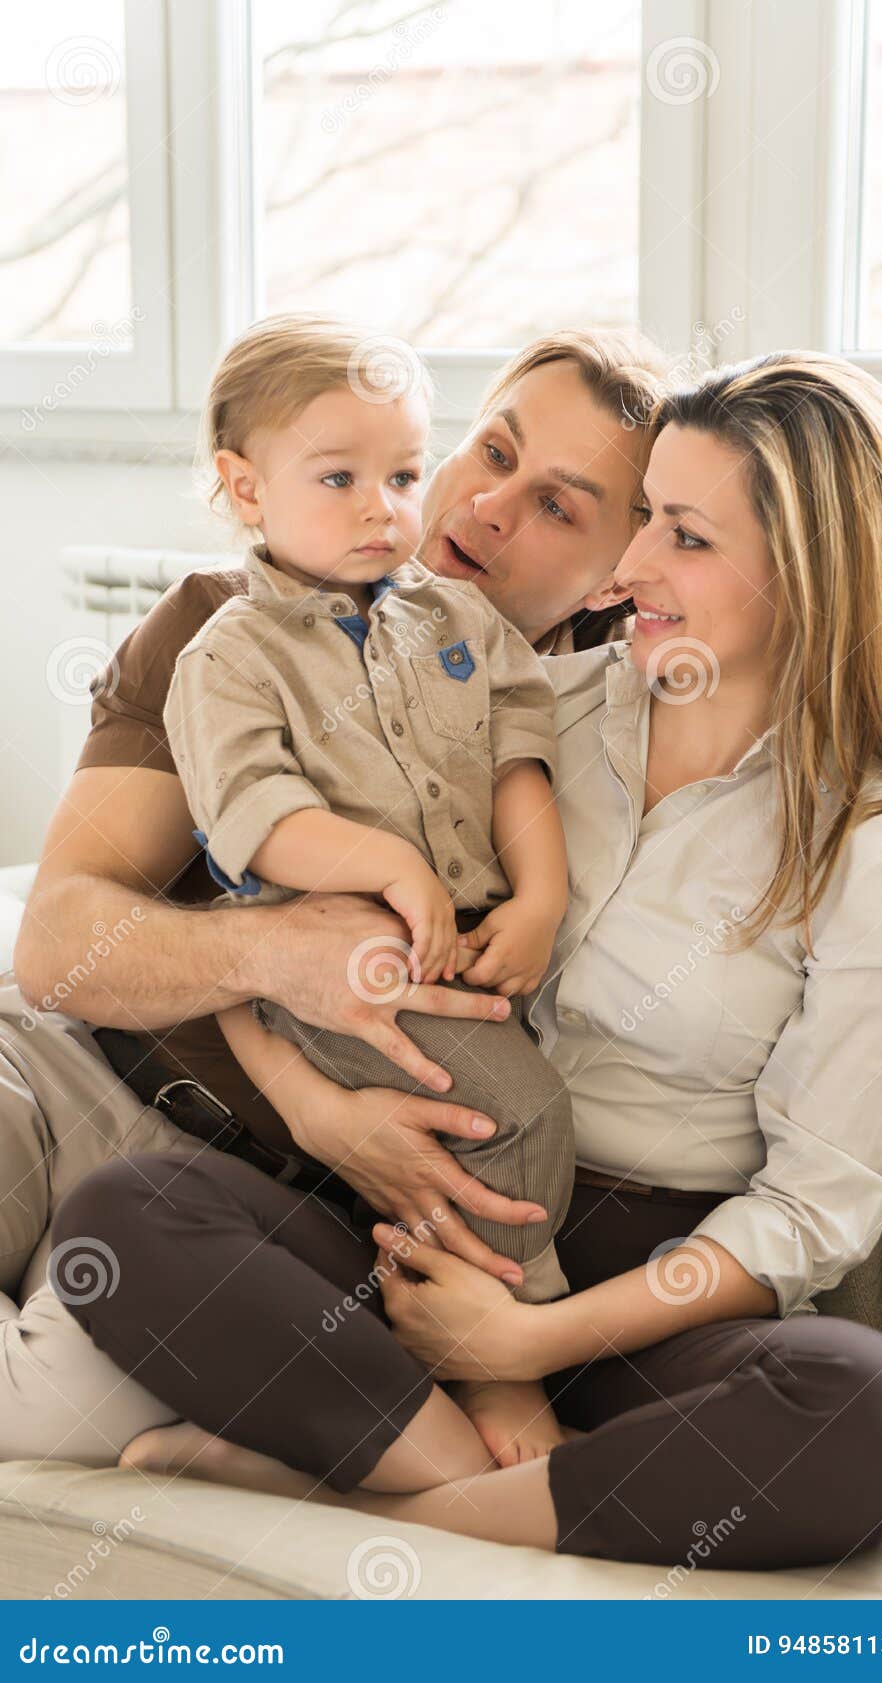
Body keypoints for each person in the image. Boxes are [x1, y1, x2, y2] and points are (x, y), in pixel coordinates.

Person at [2, 329, 882, 1477]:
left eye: (581, 510)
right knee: (130, 1216)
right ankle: (471, 1461)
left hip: (532, 1248)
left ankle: (424, 1487)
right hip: (240, 1138)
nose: (494, 508)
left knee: (873, 1416)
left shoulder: (798, 791)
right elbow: (100, 937)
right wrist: (298, 1041)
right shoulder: (316, 653)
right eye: (490, 451)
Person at [165, 314, 573, 1460]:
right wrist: (390, 864)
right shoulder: (228, 655)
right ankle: (505, 1366)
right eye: (336, 477)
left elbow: (518, 758)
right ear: (245, 489)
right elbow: (256, 818)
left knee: (467, 1134)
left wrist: (537, 896)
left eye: (399, 475)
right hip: (334, 963)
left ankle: (327, 1428)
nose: (379, 507)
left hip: (472, 945)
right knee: (521, 1115)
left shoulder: (458, 620)